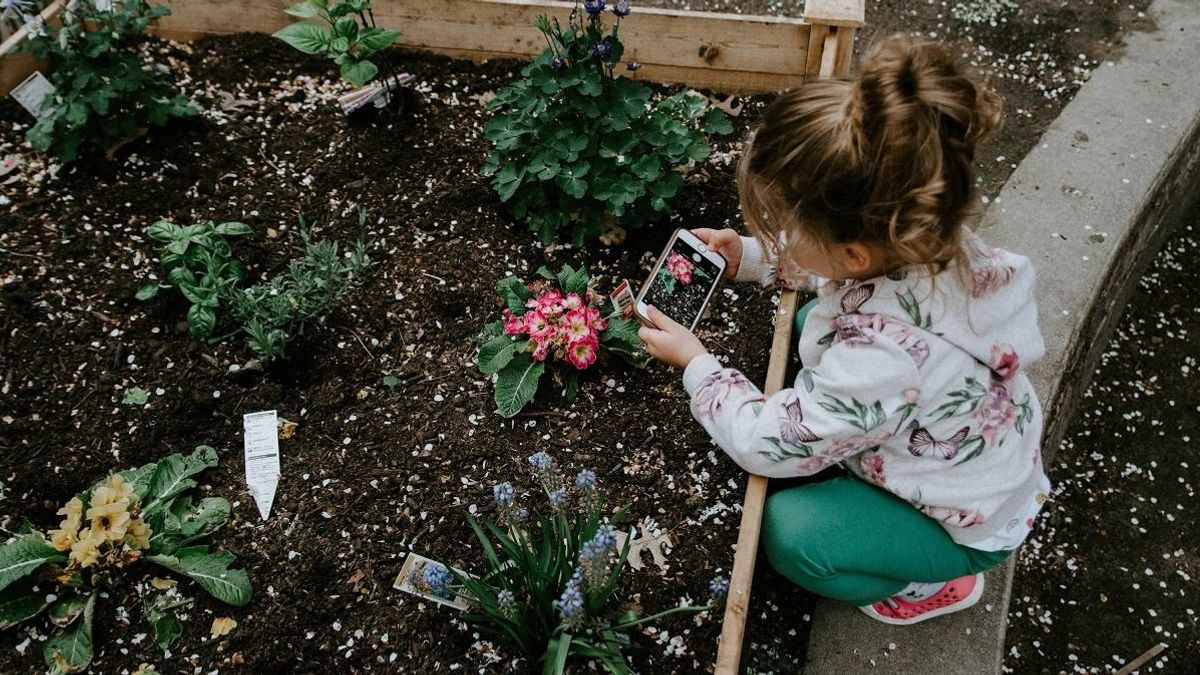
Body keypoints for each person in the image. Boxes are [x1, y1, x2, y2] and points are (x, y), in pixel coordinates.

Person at [637, 35, 1050, 625]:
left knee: (791, 534)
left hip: (961, 522)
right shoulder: (932, 238)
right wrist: (752, 257)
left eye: (785, 224)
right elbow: (840, 271)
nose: (779, 230)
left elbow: (766, 445)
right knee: (812, 320)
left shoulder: (880, 361)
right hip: (973, 454)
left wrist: (698, 365)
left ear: (854, 252)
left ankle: (927, 584)